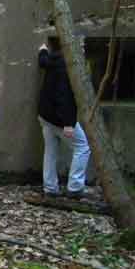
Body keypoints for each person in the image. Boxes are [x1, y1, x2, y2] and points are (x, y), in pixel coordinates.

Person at [38, 40, 91, 198]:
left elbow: (43, 61)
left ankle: (50, 188)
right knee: (82, 146)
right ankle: (75, 187)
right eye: (81, 46)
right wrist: (68, 123)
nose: (83, 50)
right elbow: (64, 95)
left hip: (45, 114)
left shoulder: (55, 58)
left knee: (51, 150)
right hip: (58, 118)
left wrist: (42, 50)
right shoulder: (68, 67)